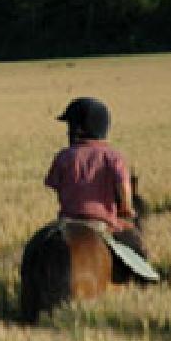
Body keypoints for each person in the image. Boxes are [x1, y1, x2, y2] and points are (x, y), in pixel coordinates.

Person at [44, 97, 147, 258]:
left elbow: (55, 185)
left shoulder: (63, 156)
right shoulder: (113, 157)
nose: (67, 131)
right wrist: (126, 208)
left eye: (69, 126)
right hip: (101, 224)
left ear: (79, 129)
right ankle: (144, 281)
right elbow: (123, 186)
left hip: (66, 223)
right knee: (137, 249)